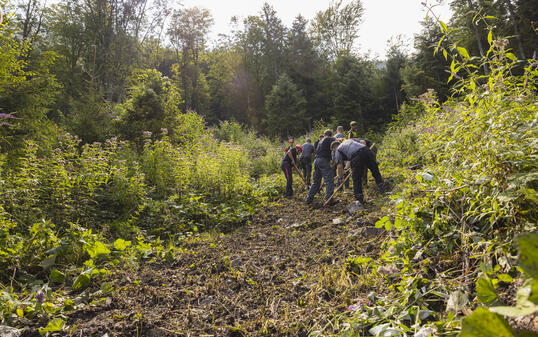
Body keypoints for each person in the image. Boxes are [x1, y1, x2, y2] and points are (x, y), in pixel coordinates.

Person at [331, 138, 384, 204]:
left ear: (334, 149)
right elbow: (362, 141)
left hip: (356, 155)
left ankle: (359, 199)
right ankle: (382, 188)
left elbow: (339, 166)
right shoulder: (348, 141)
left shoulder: (338, 151)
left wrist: (341, 178)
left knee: (356, 178)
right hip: (366, 150)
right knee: (375, 171)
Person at [306, 130, 336, 204]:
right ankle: (329, 199)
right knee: (329, 180)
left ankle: (309, 198)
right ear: (330, 135)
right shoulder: (328, 139)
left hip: (316, 161)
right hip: (323, 160)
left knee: (316, 182)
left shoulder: (320, 141)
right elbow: (335, 141)